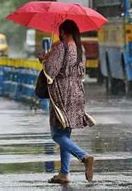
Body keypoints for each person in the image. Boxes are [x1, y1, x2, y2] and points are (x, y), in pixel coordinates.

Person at [42, 19, 95, 184]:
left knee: (57, 134)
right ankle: (64, 173)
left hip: (62, 93)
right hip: (77, 92)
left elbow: (51, 71)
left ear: (63, 32)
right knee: (65, 133)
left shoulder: (61, 47)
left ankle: (84, 157)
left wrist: (46, 60)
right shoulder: (80, 48)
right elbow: (80, 72)